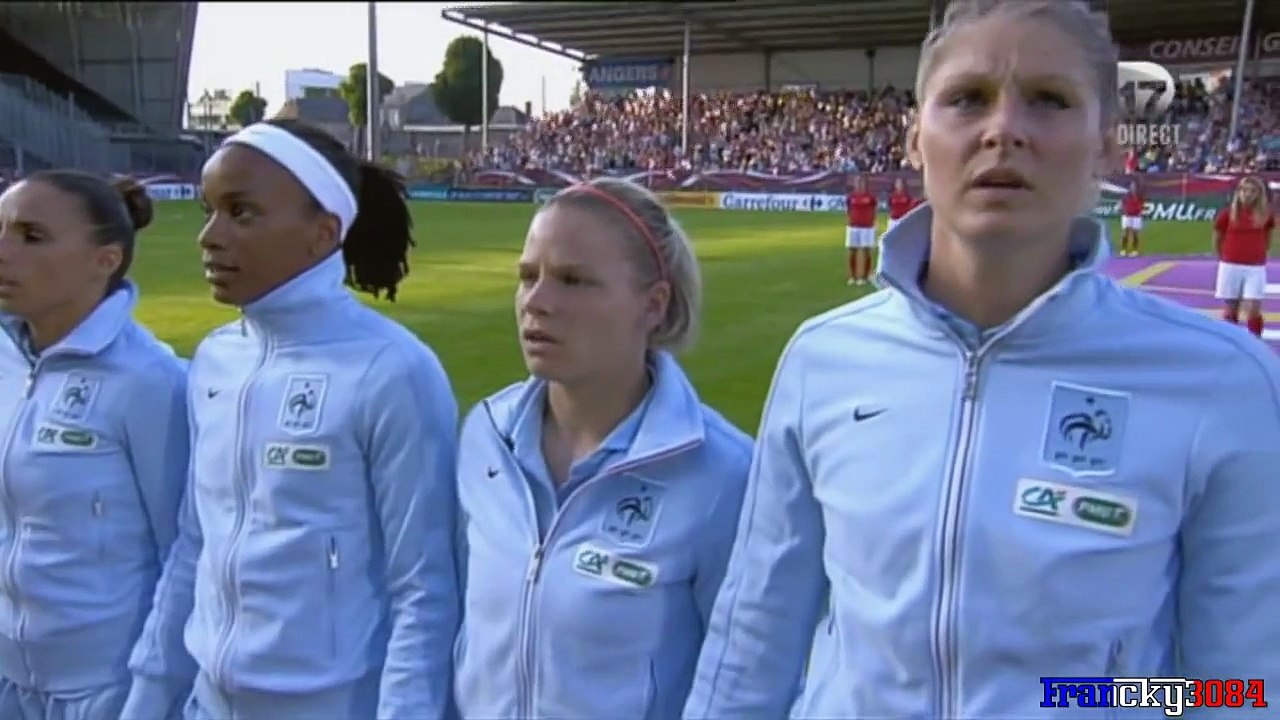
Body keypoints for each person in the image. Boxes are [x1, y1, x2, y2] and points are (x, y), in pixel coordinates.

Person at [685, 2, 1280, 718]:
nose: (1004, 129)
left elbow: (1239, 687)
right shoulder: (824, 358)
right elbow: (755, 639)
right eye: (967, 99)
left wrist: (1077, 698)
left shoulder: (1221, 383)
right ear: (914, 137)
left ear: (1107, 147)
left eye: (1050, 101)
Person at [124, 119, 460, 719]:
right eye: (209, 210)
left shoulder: (392, 370)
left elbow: (425, 590)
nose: (209, 235)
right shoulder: (214, 361)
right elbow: (193, 546)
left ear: (323, 233)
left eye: (241, 212)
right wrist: (148, 698)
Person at [453, 178, 751, 720]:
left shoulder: (722, 473)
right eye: (528, 276)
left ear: (653, 305)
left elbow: (747, 680)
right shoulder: (484, 439)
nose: (537, 302)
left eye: (574, 280)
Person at [0, 172, 188, 719]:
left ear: (105, 260)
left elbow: (182, 551)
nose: (4, 250)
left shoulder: (149, 381)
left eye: (32, 237)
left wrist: (153, 694)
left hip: (105, 689)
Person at [1213, 175, 1273, 338]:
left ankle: (1255, 342)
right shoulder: (1227, 214)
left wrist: (1260, 253)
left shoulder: (1265, 215)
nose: (1248, 194)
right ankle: (1231, 343)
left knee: (1253, 307)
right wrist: (1224, 256)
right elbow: (1218, 238)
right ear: (1238, 192)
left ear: (1259, 194)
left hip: (1255, 267)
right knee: (1231, 308)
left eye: (1253, 191)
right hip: (1231, 265)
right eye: (1244, 190)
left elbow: (1267, 238)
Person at [844, 174, 877, 285]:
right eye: (857, 182)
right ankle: (853, 277)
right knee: (852, 251)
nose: (859, 184)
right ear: (854, 184)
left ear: (865, 184)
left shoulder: (871, 197)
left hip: (867, 227)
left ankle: (865, 276)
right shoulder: (851, 197)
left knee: (866, 251)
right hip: (853, 227)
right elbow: (848, 210)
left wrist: (871, 221)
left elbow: (874, 210)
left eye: (861, 182)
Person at [1119, 178, 1145, 256]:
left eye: (1134, 186)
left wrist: (1140, 211)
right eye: (1132, 186)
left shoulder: (1139, 195)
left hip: (1136, 216)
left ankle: (1134, 250)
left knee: (1135, 233)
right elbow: (1122, 203)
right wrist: (1123, 211)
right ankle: (1123, 249)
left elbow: (1142, 204)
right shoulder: (1126, 195)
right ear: (1130, 187)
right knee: (1125, 233)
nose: (1133, 187)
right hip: (1127, 215)